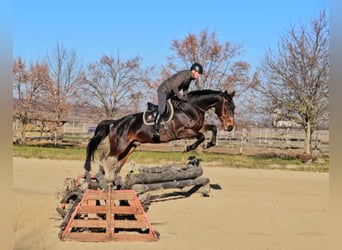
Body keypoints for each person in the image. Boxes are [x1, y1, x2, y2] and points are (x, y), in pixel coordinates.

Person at [152, 62, 203, 141]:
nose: (199, 75)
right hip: (163, 91)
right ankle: (155, 128)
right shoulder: (183, 75)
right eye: (198, 73)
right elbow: (174, 86)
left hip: (171, 93)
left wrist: (186, 98)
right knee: (162, 110)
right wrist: (180, 96)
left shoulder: (190, 78)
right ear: (193, 71)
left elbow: (185, 89)